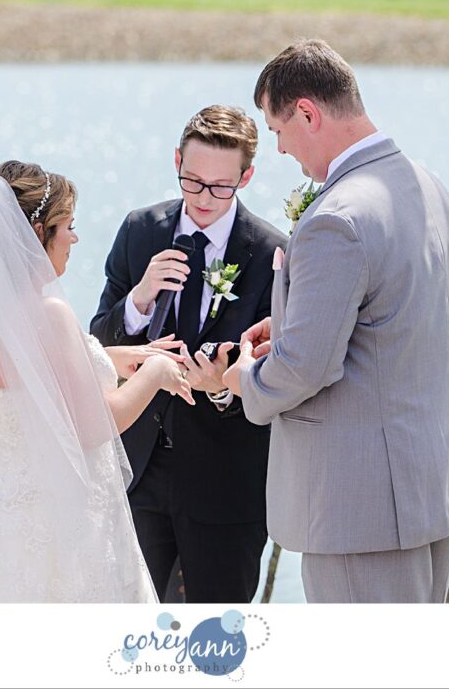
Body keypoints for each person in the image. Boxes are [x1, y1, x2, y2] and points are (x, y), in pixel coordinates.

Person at [223, 39, 449, 603]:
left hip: (361, 508)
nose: (281, 149)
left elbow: (305, 369)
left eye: (277, 131)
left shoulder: (336, 219)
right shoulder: (430, 186)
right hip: (429, 488)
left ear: (308, 113)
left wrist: (244, 380)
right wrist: (294, 318)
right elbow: (401, 318)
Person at [0, 160, 192, 603]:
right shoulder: (49, 315)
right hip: (56, 534)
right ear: (37, 235)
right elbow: (94, 425)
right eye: (67, 226)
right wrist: (155, 373)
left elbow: (25, 382)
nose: (74, 238)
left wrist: (109, 357)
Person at [91, 106, 287, 603]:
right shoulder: (140, 230)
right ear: (177, 161)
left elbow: (280, 371)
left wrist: (222, 389)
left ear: (247, 176)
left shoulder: (272, 252)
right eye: (192, 181)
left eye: (221, 187)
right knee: (126, 630)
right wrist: (138, 300)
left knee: (216, 641)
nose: (204, 198)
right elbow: (97, 339)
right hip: (137, 471)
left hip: (227, 481)